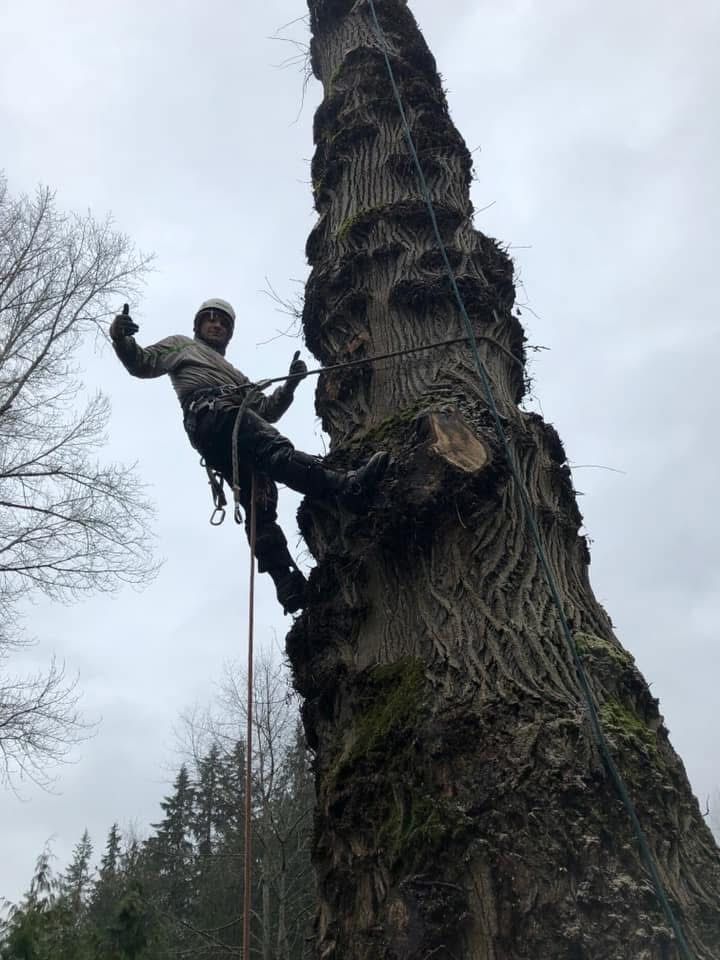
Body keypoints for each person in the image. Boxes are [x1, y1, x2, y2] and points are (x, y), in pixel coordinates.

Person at [110, 298, 388, 613]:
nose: (216, 325)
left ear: (229, 333)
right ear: (198, 325)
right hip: (211, 417)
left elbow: (266, 410)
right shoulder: (181, 346)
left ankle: (287, 582)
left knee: (261, 501)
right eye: (210, 319)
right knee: (274, 449)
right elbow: (141, 362)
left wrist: (291, 386)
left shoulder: (237, 378)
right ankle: (346, 488)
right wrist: (122, 338)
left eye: (223, 322)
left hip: (227, 429)